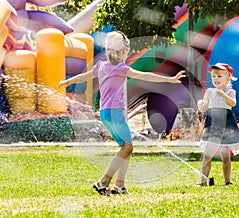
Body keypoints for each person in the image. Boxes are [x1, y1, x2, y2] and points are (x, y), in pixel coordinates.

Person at [58, 30, 186, 195]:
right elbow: (145, 76)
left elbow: (83, 77)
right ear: (123, 51)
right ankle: (103, 181)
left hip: (105, 114)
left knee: (125, 148)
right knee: (127, 148)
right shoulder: (121, 68)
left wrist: (67, 81)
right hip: (115, 113)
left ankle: (119, 185)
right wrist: (169, 79)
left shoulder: (101, 66)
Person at [197, 63, 239, 186]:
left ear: (228, 77)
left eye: (219, 76)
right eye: (213, 76)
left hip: (225, 126)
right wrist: (201, 104)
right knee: (207, 155)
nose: (216, 79)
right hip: (212, 125)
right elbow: (204, 107)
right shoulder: (209, 91)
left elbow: (233, 103)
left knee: (225, 156)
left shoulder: (230, 91)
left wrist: (224, 95)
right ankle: (203, 181)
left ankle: (227, 181)